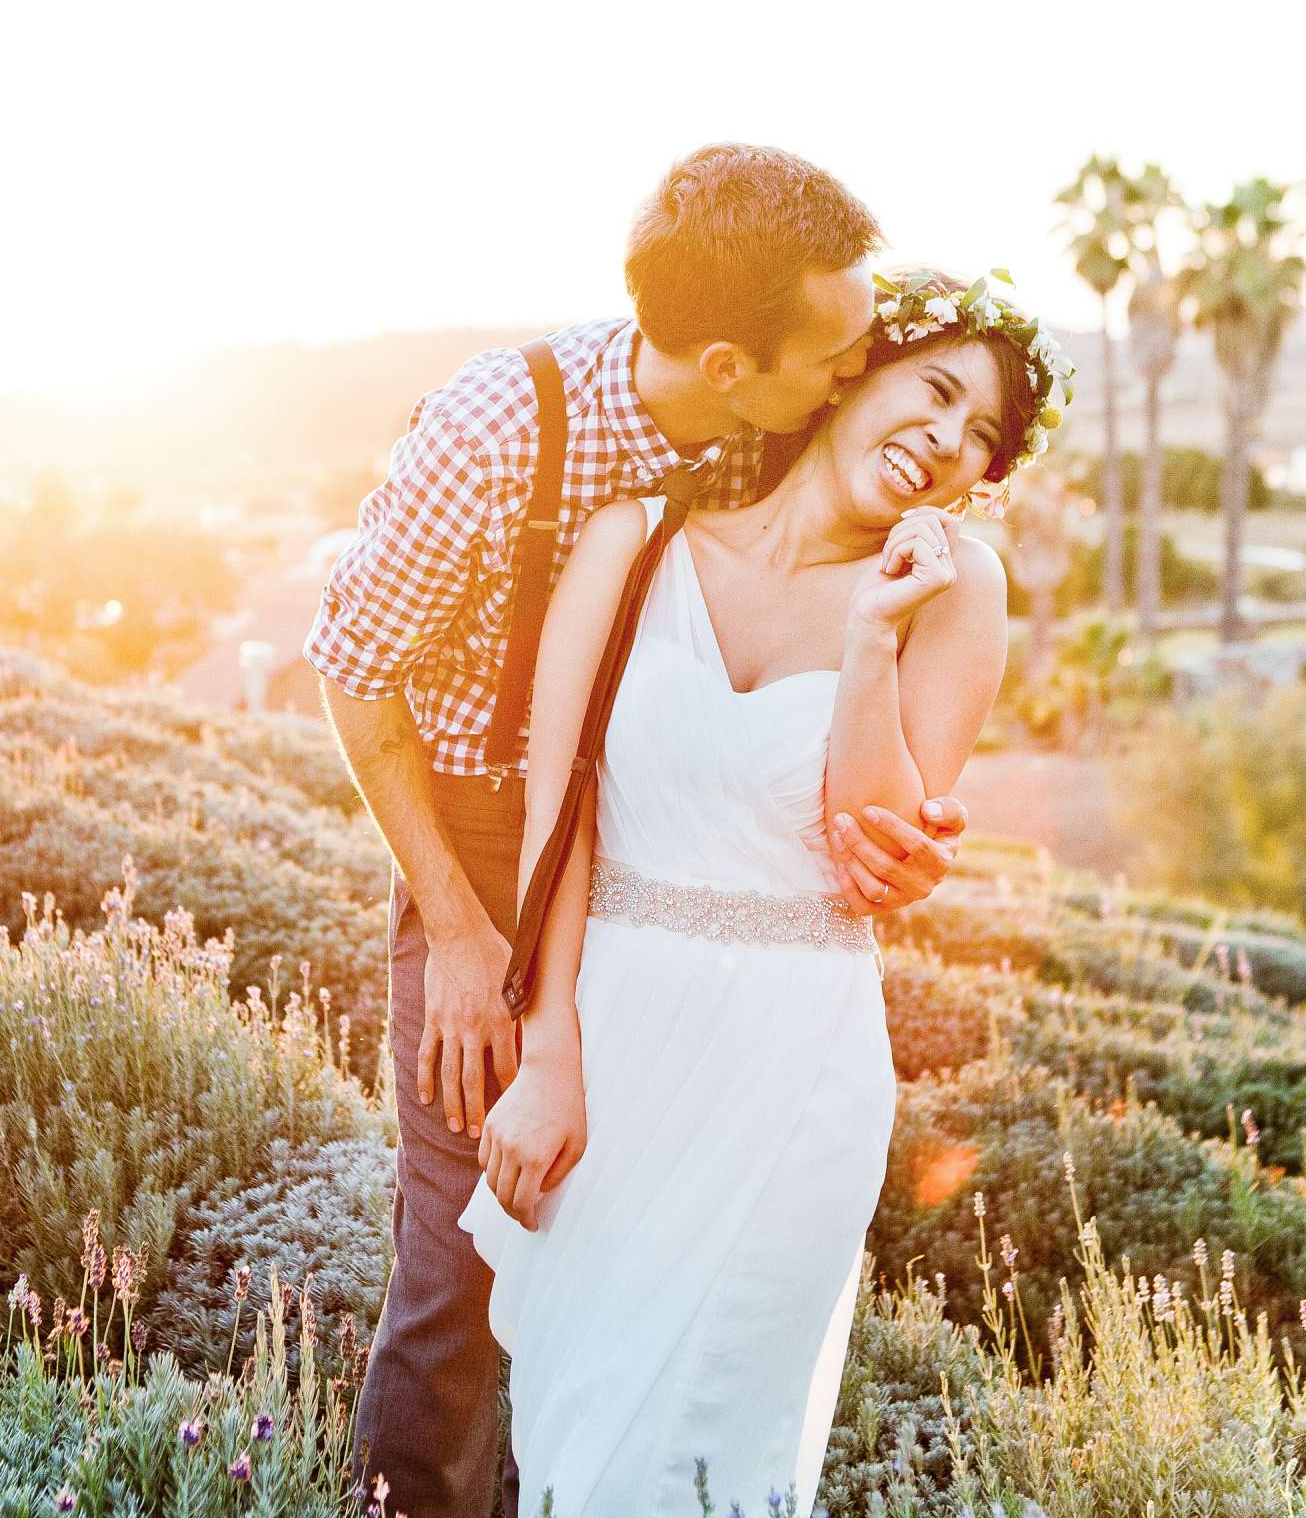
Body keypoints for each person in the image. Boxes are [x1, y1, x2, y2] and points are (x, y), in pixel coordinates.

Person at [304, 145, 976, 1518]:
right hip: (490, 850)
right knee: (463, 1277)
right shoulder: (501, 427)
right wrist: (455, 922)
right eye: (838, 352)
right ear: (733, 366)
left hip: (690, 877)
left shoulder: (797, 427)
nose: (856, 372)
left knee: (659, 1332)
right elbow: (353, 667)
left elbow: (915, 486)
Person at [460, 269, 1070, 1515]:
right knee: (579, 1436)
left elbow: (870, 848)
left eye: (980, 439)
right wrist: (549, 1050)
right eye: (937, 391)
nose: (947, 442)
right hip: (614, 1043)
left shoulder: (957, 591)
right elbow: (557, 815)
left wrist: (870, 640)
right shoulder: (634, 541)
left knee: (696, 1461)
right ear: (858, 370)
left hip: (797, 1075)